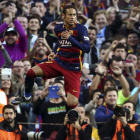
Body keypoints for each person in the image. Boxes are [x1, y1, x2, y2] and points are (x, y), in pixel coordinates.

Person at [12, 5, 90, 109]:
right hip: (58, 63)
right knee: (30, 73)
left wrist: (71, 39)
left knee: (72, 103)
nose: (72, 17)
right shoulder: (58, 28)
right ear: (63, 16)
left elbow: (87, 48)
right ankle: (27, 96)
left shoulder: (81, 29)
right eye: (70, 15)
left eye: (74, 15)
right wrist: (54, 51)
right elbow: (60, 41)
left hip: (73, 68)